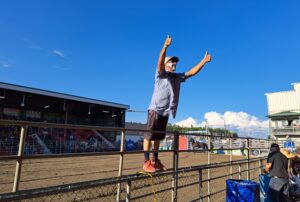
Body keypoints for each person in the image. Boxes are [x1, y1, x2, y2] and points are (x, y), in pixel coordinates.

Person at [143, 35, 212, 173]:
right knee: (149, 136)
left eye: (175, 62)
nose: (174, 63)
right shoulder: (160, 74)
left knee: (158, 137)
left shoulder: (176, 77)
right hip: (155, 109)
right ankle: (146, 162)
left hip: (166, 111)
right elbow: (159, 62)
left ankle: (155, 161)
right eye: (171, 62)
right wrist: (165, 46)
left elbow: (191, 72)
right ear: (165, 64)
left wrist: (203, 61)